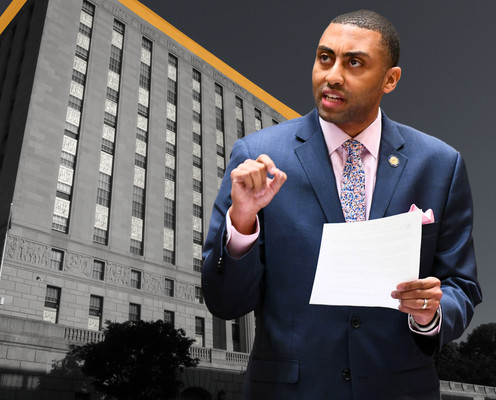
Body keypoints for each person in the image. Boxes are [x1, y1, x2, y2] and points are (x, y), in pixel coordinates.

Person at [201, 9, 482, 400]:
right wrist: (243, 221)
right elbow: (225, 302)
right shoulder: (259, 156)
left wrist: (431, 313)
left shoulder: (440, 164)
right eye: (324, 58)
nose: (332, 75)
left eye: (354, 62)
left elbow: (462, 285)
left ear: (390, 79)